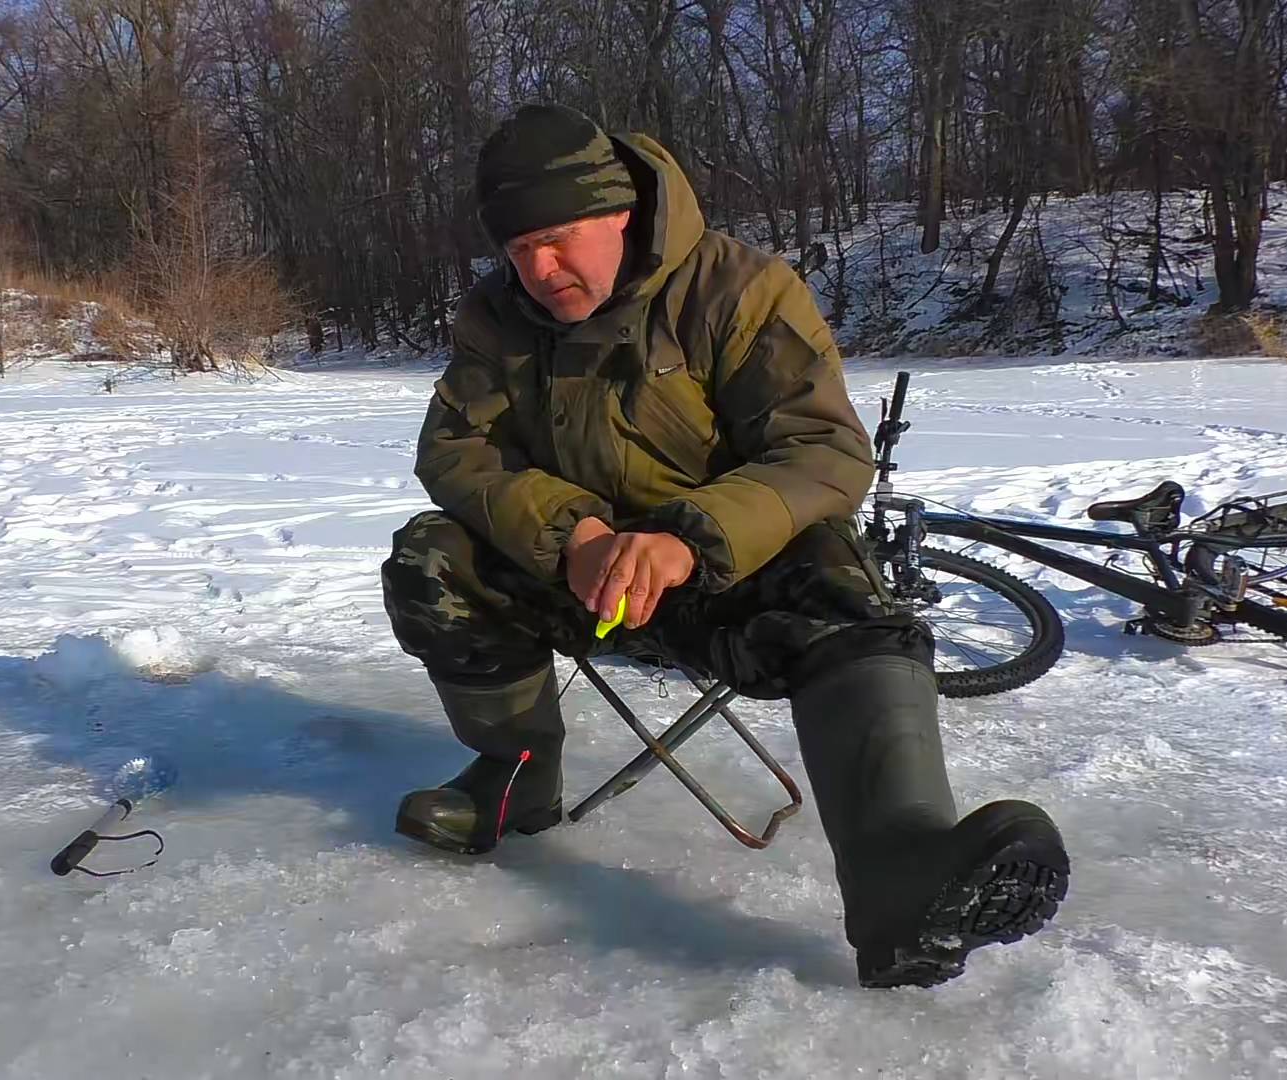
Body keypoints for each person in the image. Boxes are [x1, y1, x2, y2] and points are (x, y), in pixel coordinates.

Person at [380, 103, 1069, 989]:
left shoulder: (738, 288)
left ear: (619, 211)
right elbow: (454, 448)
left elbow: (824, 451)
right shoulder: (498, 317)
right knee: (431, 555)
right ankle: (515, 772)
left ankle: (902, 872)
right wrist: (575, 535)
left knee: (843, 588)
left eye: (557, 239)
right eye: (517, 250)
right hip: (581, 581)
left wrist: (684, 537)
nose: (539, 270)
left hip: (726, 581)